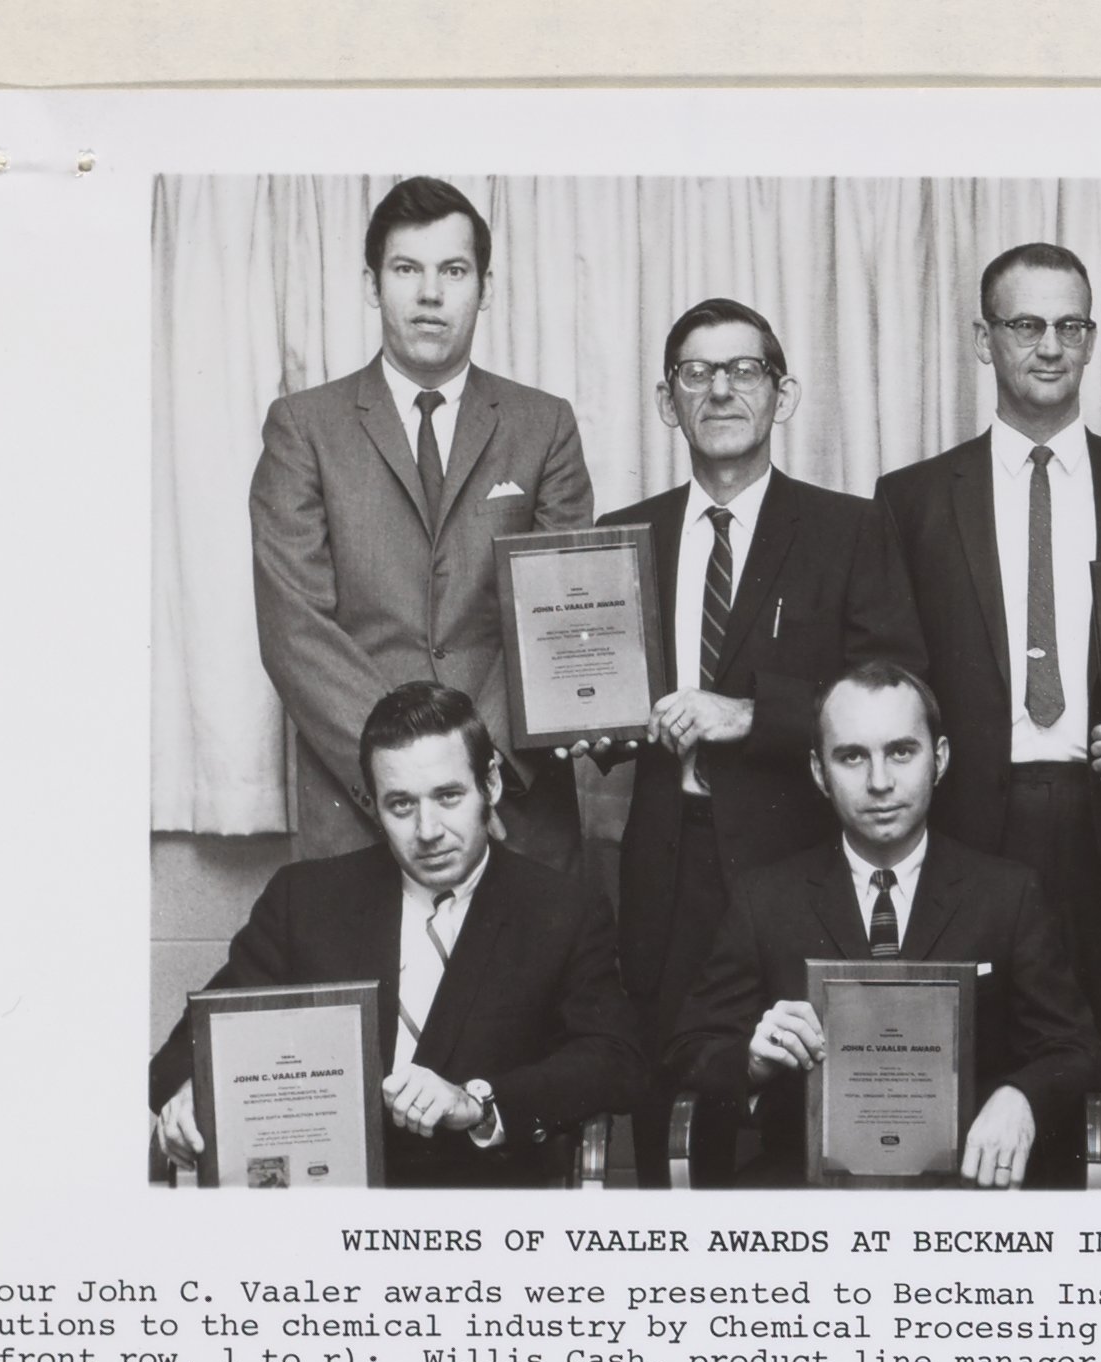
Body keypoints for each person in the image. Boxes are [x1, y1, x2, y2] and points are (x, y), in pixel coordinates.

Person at [598, 298, 926, 1176]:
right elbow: (598, 701)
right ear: (666, 400)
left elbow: (898, 688)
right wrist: (576, 724)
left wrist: (750, 714)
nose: (720, 390)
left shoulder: (848, 528)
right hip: (668, 869)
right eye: (696, 373)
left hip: (801, 861)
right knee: (675, 1115)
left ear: (784, 394)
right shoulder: (620, 539)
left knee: (814, 1118)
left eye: (744, 370)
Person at [873, 241, 1101, 1034]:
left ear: (1090, 339)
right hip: (969, 822)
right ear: (983, 340)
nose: (1049, 346)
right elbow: (893, 673)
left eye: (1069, 326)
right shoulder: (913, 498)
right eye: (1025, 325)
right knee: (978, 1050)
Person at [149, 683, 642, 1187]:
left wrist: (477, 1101)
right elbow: (191, 1043)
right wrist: (193, 1089)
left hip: (478, 1198)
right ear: (374, 806)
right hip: (326, 1196)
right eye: (401, 805)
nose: (428, 830)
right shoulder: (306, 899)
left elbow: (613, 1058)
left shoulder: (561, 909)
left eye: (448, 796)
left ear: (490, 784)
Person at [250, 176, 598, 867]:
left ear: (485, 288)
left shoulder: (545, 424)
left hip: (511, 799)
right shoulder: (302, 427)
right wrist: (403, 784)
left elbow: (556, 617)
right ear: (373, 284)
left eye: (454, 270)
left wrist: (479, 772)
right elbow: (296, 630)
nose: (430, 293)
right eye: (407, 269)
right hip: (359, 808)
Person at [662, 661, 1101, 1189]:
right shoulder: (766, 898)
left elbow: (1075, 1049)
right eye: (852, 756)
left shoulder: (1008, 894)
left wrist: (1022, 1095)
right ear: (819, 772)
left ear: (939, 759)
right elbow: (689, 1049)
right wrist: (752, 1061)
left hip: (967, 1191)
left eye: (901, 752)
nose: (879, 782)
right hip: (809, 1194)